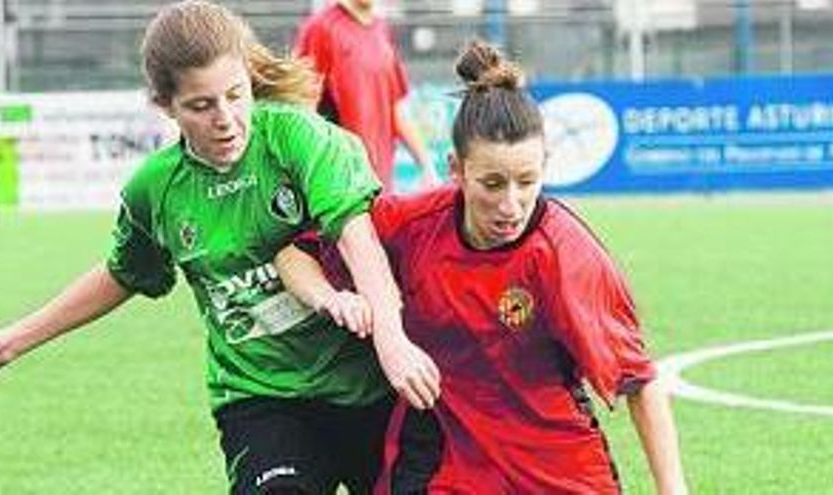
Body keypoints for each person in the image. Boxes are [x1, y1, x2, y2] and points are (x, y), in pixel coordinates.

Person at [0, 1, 440, 494]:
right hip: (260, 397)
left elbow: (358, 240)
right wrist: (13, 339)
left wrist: (392, 340)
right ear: (165, 106)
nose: (226, 119)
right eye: (201, 106)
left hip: (365, 386)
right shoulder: (155, 189)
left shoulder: (301, 140)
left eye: (236, 95)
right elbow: (124, 273)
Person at [275, 39, 688, 494]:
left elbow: (638, 382)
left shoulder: (567, 253)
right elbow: (297, 254)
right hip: (445, 459)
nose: (511, 204)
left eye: (527, 181)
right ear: (457, 169)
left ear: (545, 166)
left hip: (554, 463)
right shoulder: (414, 224)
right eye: (492, 183)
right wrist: (332, 298)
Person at [292, 0, 439, 192]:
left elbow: (395, 108)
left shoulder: (381, 29)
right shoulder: (321, 28)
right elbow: (302, 109)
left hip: (380, 184)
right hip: (340, 187)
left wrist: (426, 165)